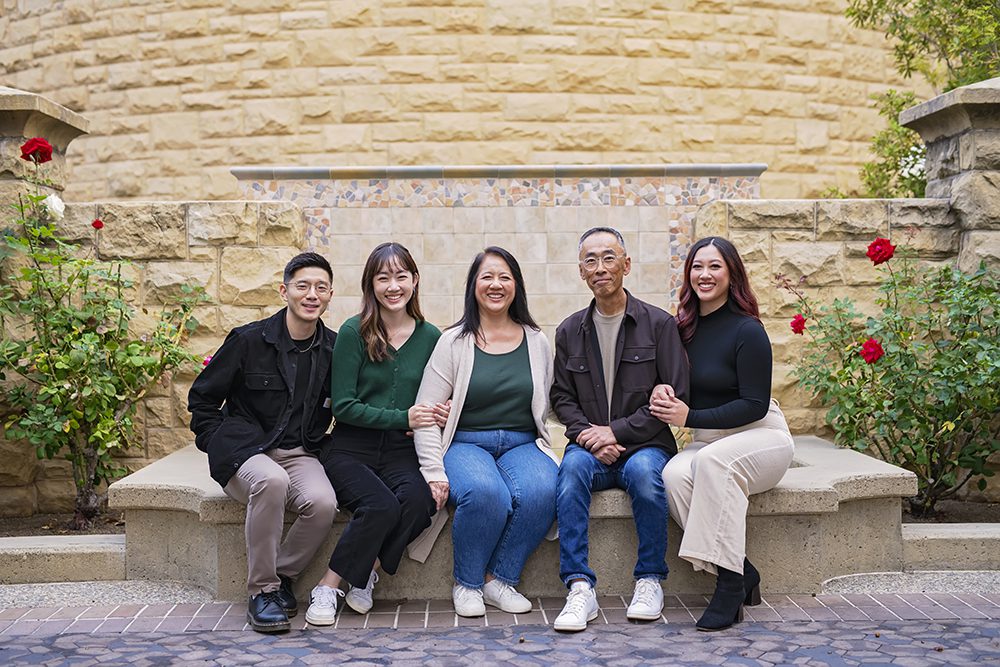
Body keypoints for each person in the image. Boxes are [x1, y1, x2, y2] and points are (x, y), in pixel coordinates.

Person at [187, 252, 339, 633]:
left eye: (320, 287)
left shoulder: (334, 349)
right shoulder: (248, 340)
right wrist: (216, 441)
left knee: (323, 503)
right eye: (302, 285)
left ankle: (283, 576)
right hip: (246, 453)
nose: (311, 294)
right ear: (284, 290)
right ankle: (261, 591)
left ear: (330, 294)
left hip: (299, 452)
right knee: (271, 480)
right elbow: (203, 398)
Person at [550, 226, 690, 632]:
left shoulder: (659, 325)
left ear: (626, 265)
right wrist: (590, 436)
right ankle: (579, 588)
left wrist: (617, 432)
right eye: (590, 261)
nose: (600, 267)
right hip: (589, 445)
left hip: (644, 444)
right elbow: (562, 398)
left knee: (648, 477)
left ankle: (650, 580)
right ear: (581, 272)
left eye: (608, 258)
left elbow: (673, 395)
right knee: (570, 473)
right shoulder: (569, 330)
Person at [651, 236, 794, 631]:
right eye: (697, 266)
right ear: (688, 274)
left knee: (711, 463)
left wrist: (689, 414)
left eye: (715, 266)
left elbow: (754, 404)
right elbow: (673, 383)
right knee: (675, 476)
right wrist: (663, 391)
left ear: (732, 275)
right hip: (710, 440)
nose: (705, 274)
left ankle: (728, 586)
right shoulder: (682, 330)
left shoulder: (748, 330)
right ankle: (743, 570)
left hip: (761, 436)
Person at [412, 246, 560, 618]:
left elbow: (554, 403)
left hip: (523, 443)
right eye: (487, 277)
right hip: (465, 443)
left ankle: (499, 579)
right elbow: (428, 413)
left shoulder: (536, 341)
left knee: (545, 488)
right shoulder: (453, 342)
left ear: (516, 286)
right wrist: (432, 470)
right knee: (485, 493)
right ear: (473, 286)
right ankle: (468, 583)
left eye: (505, 277)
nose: (496, 284)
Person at [305, 243, 447, 626]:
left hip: (403, 449)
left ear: (415, 281)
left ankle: (368, 569)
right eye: (383, 277)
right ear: (371, 285)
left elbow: (439, 394)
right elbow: (343, 406)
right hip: (352, 447)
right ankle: (329, 585)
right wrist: (405, 414)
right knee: (381, 505)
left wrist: (442, 411)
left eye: (401, 276)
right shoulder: (355, 331)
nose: (393, 286)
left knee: (421, 502)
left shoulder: (432, 337)